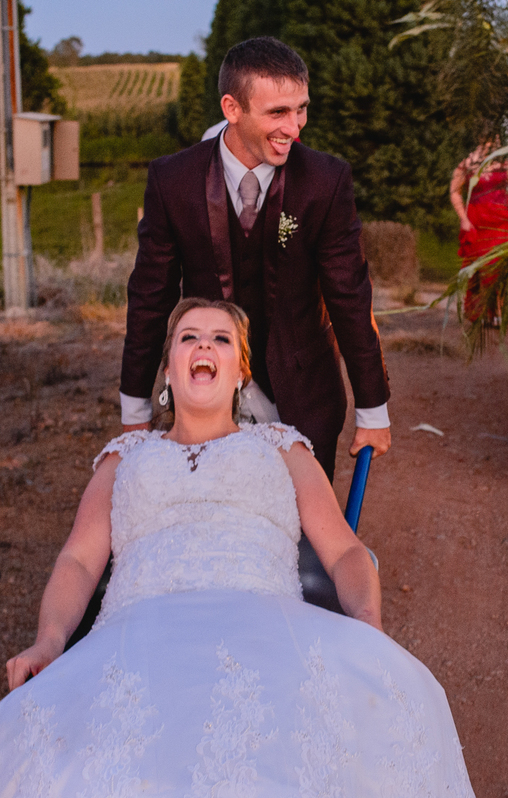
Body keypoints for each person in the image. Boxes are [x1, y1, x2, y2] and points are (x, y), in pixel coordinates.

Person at [0, 298, 475, 797]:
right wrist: (50, 641)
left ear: (240, 373)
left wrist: (368, 623)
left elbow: (345, 552)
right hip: (139, 631)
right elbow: (78, 561)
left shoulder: (283, 447)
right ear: (168, 370)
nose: (203, 344)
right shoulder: (124, 458)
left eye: (221, 338)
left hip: (267, 626)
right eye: (188, 337)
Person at [120, 37, 390, 480]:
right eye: (278, 113)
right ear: (232, 108)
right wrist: (135, 404)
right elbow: (151, 296)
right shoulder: (172, 180)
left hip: (306, 393)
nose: (295, 127)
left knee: (300, 527)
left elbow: (350, 295)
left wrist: (372, 408)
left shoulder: (326, 180)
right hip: (206, 395)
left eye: (301, 108)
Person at [450, 138, 508, 329]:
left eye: (496, 140)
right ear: (482, 139)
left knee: (500, 267)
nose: (495, 143)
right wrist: (463, 218)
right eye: (491, 140)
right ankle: (484, 313)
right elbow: (454, 191)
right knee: (482, 271)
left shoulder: (503, 164)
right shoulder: (467, 163)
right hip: (478, 221)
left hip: (502, 220)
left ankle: (499, 311)